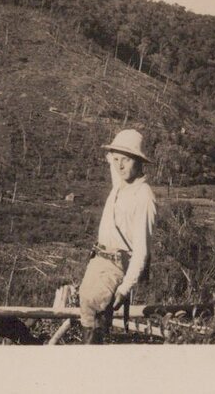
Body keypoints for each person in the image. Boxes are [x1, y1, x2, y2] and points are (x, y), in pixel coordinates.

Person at [78, 128, 157, 344]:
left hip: (116, 264)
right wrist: (113, 154)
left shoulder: (143, 196)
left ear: (139, 162)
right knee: (86, 305)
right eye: (116, 160)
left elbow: (141, 250)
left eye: (126, 160)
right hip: (99, 259)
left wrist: (124, 288)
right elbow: (113, 161)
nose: (120, 165)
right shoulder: (121, 184)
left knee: (95, 305)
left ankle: (93, 355)